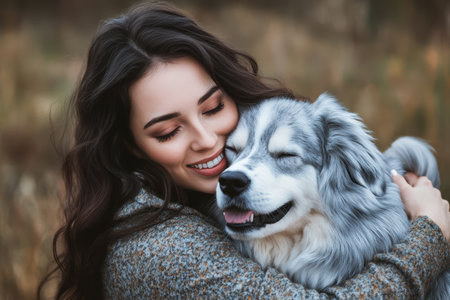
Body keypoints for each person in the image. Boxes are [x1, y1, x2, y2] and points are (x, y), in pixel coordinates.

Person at [39, 3, 450, 300]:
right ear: (129, 146)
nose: (208, 140)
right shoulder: (160, 253)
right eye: (167, 131)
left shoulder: (192, 190)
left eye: (213, 107)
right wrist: (429, 232)